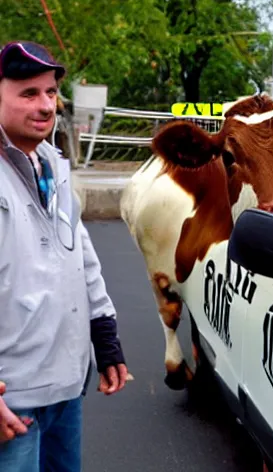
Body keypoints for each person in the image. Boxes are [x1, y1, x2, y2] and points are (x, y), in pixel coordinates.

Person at [0, 41, 129, 471]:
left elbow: (80, 257)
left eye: (51, 93)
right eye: (28, 93)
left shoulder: (52, 164)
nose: (45, 106)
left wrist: (105, 338)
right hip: (12, 402)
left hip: (65, 388)